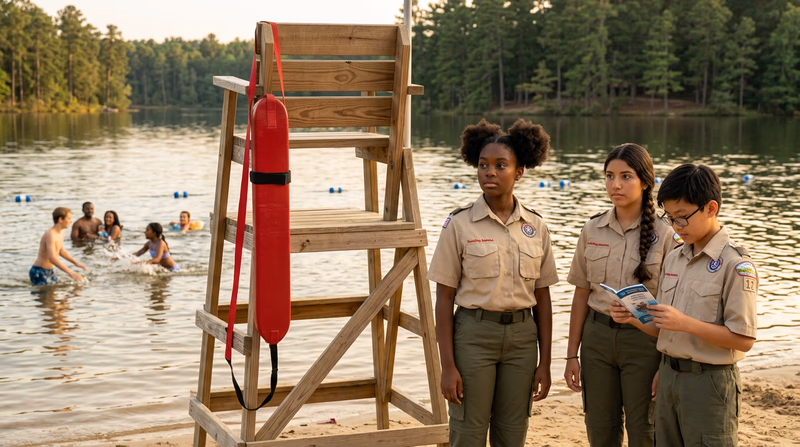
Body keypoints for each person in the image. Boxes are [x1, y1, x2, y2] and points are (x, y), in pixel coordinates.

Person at [427, 118, 558, 447]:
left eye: (501, 165)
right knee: (468, 433)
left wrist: (545, 362)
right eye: (483, 165)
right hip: (473, 337)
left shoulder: (537, 227)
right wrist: (447, 366)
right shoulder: (458, 225)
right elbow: (444, 299)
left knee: (512, 433)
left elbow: (542, 298)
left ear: (519, 172)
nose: (490, 172)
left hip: (522, 340)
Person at [609, 164, 758, 446]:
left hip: (709, 382)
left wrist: (685, 323)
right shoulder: (675, 257)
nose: (676, 226)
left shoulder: (736, 265)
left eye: (682, 217)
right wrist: (632, 317)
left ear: (711, 208)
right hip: (667, 376)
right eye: (670, 217)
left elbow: (744, 339)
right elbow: (665, 329)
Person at [563, 144, 680, 447]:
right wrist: (571, 355)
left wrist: (665, 362)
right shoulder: (592, 229)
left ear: (644, 181)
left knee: (645, 432)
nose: (615, 185)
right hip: (597, 341)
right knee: (600, 429)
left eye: (625, 176)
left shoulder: (667, 234)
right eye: (609, 176)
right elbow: (580, 294)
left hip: (645, 342)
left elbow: (676, 304)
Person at [31, 207, 87, 285]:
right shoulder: (51, 234)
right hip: (39, 271)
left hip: (49, 271)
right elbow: (52, 258)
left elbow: (61, 251)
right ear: (61, 220)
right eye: (69, 218)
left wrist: (76, 263)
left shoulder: (61, 233)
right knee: (50, 296)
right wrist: (70, 272)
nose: (71, 221)